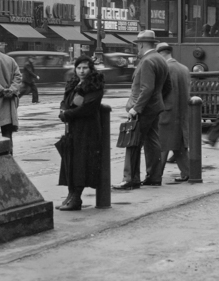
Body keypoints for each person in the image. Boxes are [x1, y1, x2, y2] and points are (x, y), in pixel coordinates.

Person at [113, 30, 172, 190]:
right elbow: (167, 87)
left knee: (132, 142)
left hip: (143, 109)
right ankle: (154, 176)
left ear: (141, 45)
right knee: (152, 141)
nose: (136, 49)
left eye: (137, 45)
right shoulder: (160, 59)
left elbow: (146, 88)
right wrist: (157, 101)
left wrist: (136, 109)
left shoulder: (147, 61)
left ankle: (130, 179)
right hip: (154, 108)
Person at [56, 56, 104, 211]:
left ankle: (76, 198)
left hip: (86, 129)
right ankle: (70, 195)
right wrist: (63, 110)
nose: (82, 71)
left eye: (85, 68)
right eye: (79, 68)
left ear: (91, 69)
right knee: (70, 160)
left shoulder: (95, 84)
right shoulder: (73, 83)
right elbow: (65, 100)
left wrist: (68, 114)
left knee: (80, 163)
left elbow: (88, 107)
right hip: (72, 128)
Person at [156, 42, 191, 183]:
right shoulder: (184, 69)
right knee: (179, 144)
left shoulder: (165, 68)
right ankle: (188, 172)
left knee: (162, 144)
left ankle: (156, 174)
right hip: (182, 111)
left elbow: (161, 91)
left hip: (167, 112)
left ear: (161, 54)